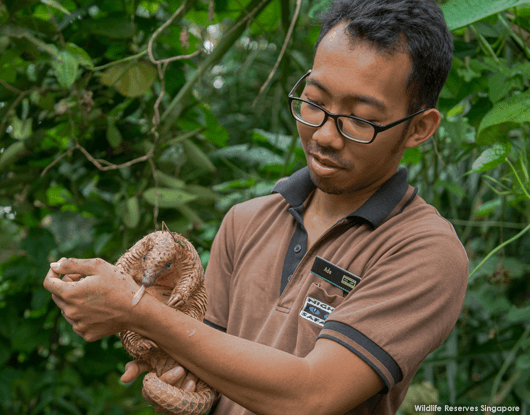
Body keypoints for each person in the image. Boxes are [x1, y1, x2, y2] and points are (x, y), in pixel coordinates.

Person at [43, 0, 469, 413]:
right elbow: (205, 364)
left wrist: (137, 311)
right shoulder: (246, 221)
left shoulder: (424, 251)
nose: (323, 135)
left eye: (359, 119)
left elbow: (311, 398)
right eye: (315, 101)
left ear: (419, 128)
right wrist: (168, 354)